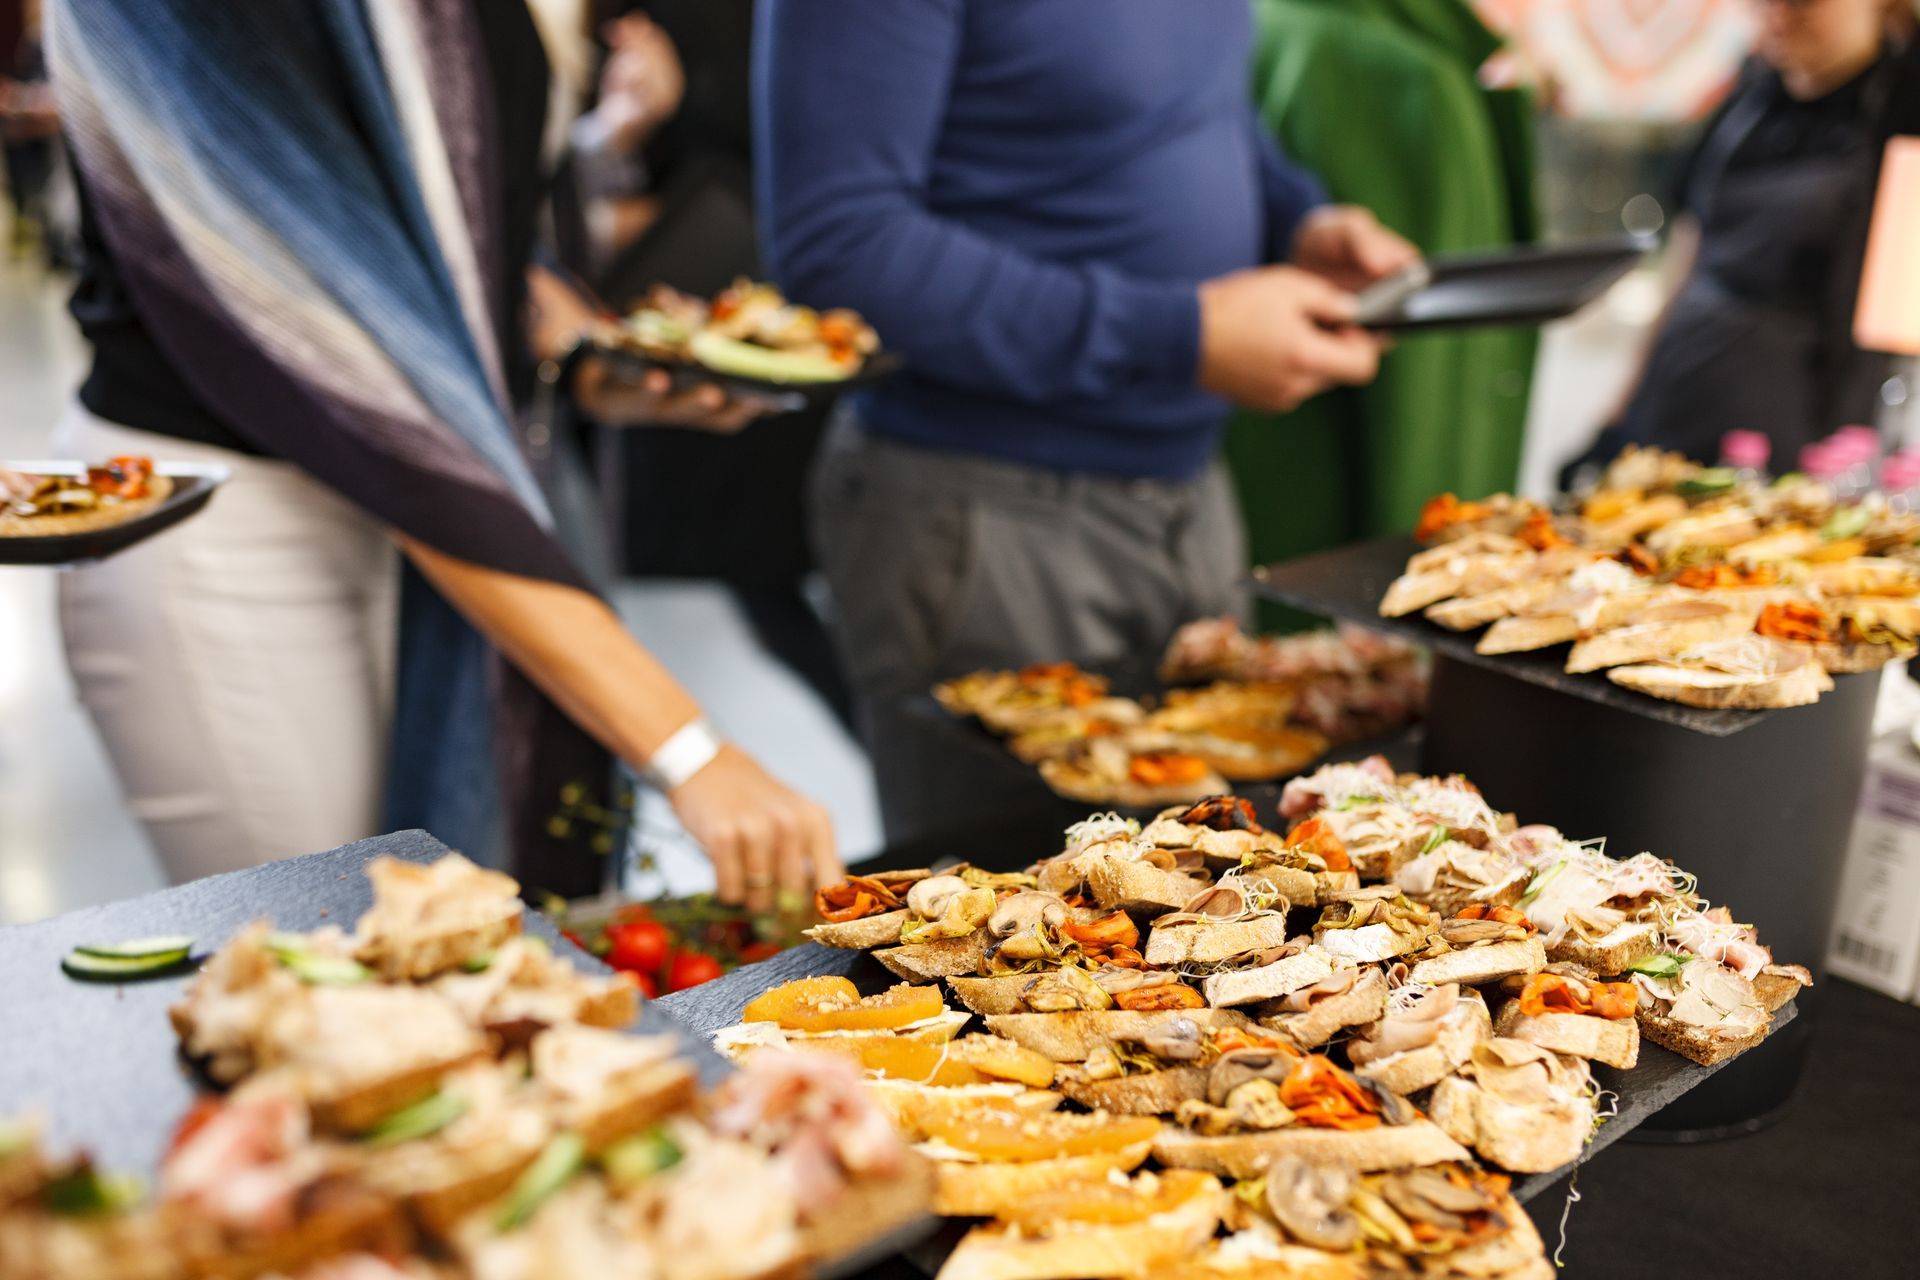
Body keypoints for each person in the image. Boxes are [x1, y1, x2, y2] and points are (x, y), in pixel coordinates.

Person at [46, 0, 838, 910]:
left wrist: (578, 359)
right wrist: (689, 748)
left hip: (439, 498)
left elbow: (463, 234)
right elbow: (338, 338)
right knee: (332, 959)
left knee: (460, 964)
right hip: (233, 520)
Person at [756, 0, 1417, 842]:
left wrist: (1297, 220)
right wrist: (1178, 333)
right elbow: (839, 246)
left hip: (1191, 491)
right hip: (982, 514)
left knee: (1211, 907)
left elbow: (1187, 108)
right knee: (1007, 929)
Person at [1227, 0, 1540, 616]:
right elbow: (1441, 392)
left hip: (1240, 482)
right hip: (1339, 524)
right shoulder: (1411, 81)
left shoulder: (1262, 20)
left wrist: (1300, 217)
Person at [1565, 0, 1920, 474]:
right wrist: (1620, 411)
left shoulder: (1904, 108)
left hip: (1798, 419)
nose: (1778, 16)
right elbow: (1688, 255)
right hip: (1676, 391)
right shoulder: (1751, 91)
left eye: (1803, 4)